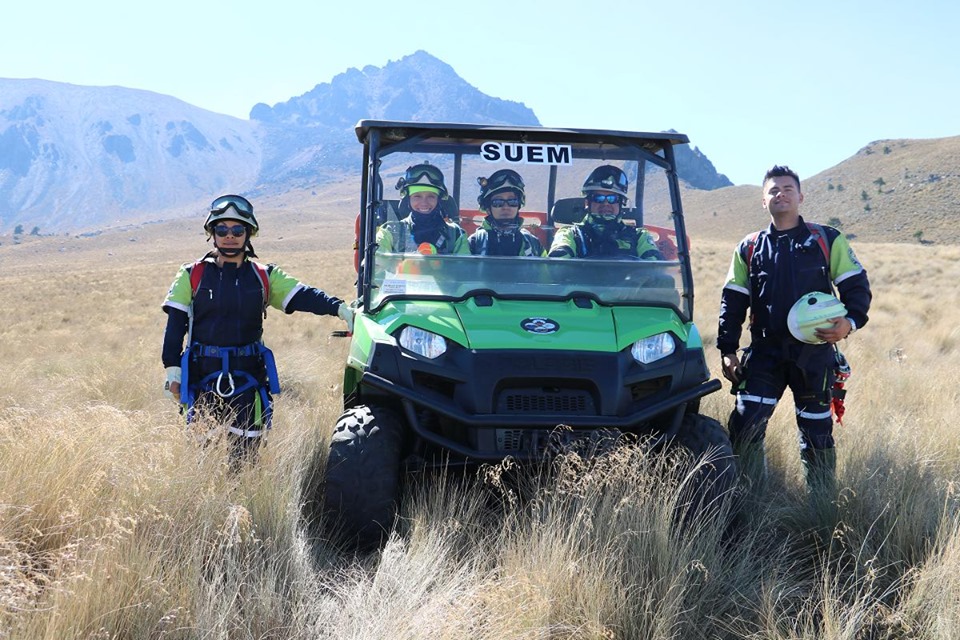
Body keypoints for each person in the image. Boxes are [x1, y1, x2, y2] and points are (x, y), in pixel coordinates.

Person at [161, 194, 353, 463]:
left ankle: (244, 504)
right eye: (222, 229)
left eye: (238, 229)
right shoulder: (191, 274)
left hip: (248, 381)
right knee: (202, 461)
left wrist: (339, 308)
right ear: (212, 233)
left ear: (249, 233)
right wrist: (172, 369)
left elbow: (302, 296)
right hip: (202, 380)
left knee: (245, 460)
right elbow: (175, 325)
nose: (230, 236)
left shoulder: (264, 275)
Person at [717, 165, 872, 495]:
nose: (780, 194)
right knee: (745, 424)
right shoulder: (749, 246)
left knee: (817, 433)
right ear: (763, 200)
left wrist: (851, 321)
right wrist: (728, 350)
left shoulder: (826, 239)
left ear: (800, 196)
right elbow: (732, 300)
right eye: (773, 190)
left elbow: (856, 285)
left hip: (814, 355)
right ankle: (748, 499)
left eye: (787, 189)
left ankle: (820, 505)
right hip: (763, 355)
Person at [548, 165, 663, 260]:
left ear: (621, 203)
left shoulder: (639, 237)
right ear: (587, 203)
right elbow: (558, 264)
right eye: (599, 198)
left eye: (613, 199)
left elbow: (655, 268)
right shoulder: (570, 235)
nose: (606, 204)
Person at [376, 163, 469, 255]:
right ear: (408, 199)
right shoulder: (389, 232)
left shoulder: (456, 235)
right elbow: (377, 266)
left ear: (439, 200)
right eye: (417, 196)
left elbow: (465, 268)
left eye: (431, 196)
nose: (424, 203)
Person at [468, 169, 545, 256]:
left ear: (518, 205)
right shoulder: (474, 243)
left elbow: (546, 269)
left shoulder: (533, 244)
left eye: (512, 201)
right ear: (488, 209)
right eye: (498, 202)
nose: (506, 207)